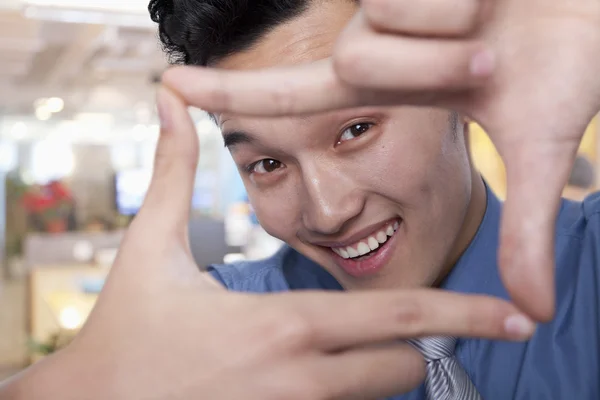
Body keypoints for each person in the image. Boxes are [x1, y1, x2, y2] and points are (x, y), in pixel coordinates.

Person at [0, 0, 597, 398]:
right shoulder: (226, 331)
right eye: (266, 164)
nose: (328, 212)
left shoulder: (591, 262)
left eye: (356, 130)